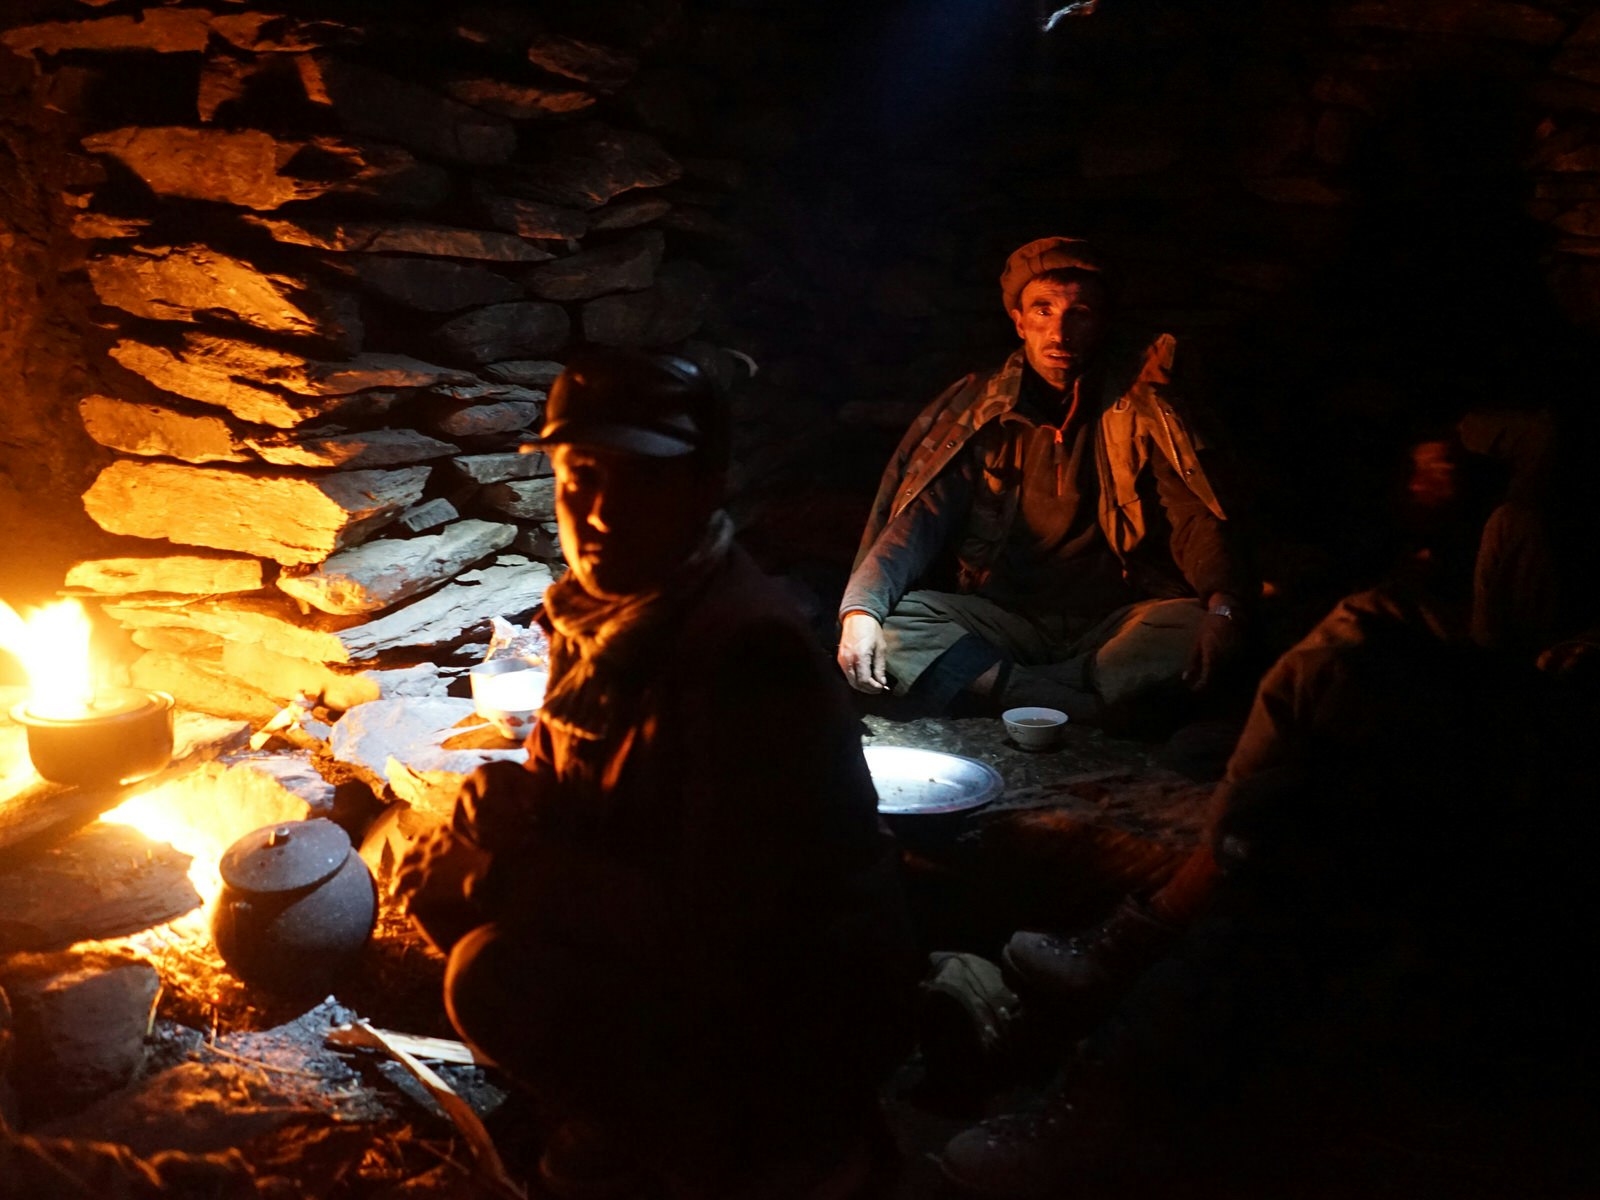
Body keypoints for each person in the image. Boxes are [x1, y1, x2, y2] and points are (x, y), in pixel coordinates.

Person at [398, 350, 916, 1199]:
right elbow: (580, 789)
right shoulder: (600, 612)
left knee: (492, 973)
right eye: (579, 479)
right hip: (669, 939)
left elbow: (733, 926)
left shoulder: (748, 655)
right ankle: (643, 1116)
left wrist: (522, 866)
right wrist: (510, 804)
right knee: (441, 877)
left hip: (794, 1005)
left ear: (705, 488)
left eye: (639, 481)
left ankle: (760, 1150)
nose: (596, 514)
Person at [836, 237, 1256, 727]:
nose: (1060, 331)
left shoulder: (1143, 409)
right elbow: (919, 520)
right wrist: (860, 612)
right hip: (1005, 620)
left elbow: (1193, 518)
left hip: (1112, 622)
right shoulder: (977, 411)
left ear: (1101, 323)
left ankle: (1023, 696)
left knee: (1192, 623)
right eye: (1043, 310)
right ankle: (1081, 702)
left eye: (1079, 313)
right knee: (898, 625)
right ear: (1019, 320)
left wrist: (1225, 605)